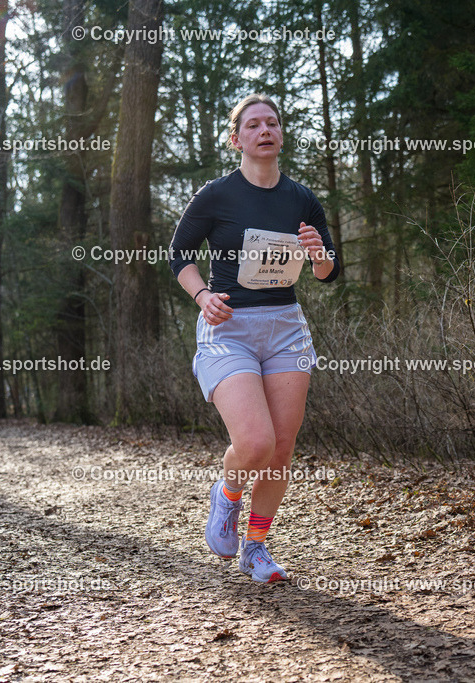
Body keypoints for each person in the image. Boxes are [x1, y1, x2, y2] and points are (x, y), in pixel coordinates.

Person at [169, 94, 341, 583]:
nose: (265, 130)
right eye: (253, 125)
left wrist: (319, 254)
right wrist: (202, 295)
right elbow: (179, 255)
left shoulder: (302, 198)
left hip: (286, 328)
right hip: (229, 328)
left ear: (281, 134)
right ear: (236, 138)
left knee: (281, 447)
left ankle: (256, 548)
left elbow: (328, 272)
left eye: (272, 123)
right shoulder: (216, 195)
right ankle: (227, 495)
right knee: (256, 442)